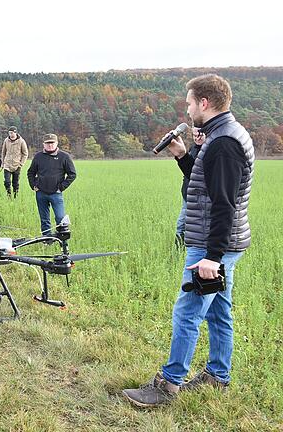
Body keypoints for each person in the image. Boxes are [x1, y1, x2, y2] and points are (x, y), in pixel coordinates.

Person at [123, 74, 255, 408]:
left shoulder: (224, 143)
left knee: (188, 313)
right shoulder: (222, 136)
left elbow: (224, 204)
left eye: (189, 102)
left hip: (212, 245)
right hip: (222, 242)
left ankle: (167, 385)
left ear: (204, 103)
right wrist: (183, 156)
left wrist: (213, 257)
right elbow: (208, 187)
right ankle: (217, 376)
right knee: (219, 312)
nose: (187, 108)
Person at [26, 133, 76, 235]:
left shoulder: (64, 157)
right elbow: (31, 172)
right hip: (41, 193)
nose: (50, 145)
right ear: (43, 144)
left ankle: (62, 240)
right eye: (47, 143)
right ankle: (47, 240)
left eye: (52, 143)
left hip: (56, 193)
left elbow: (72, 174)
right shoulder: (38, 156)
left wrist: (61, 187)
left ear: (57, 143)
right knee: (44, 219)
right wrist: (33, 185)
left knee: (60, 218)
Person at [174, 127, 205, 247]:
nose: (197, 138)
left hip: (200, 197)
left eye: (200, 135)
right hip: (188, 195)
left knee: (199, 227)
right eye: (194, 135)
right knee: (181, 225)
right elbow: (188, 171)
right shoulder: (192, 148)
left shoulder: (209, 151)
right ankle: (177, 251)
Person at [2, 126, 29, 199]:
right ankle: (9, 195)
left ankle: (15, 196)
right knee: (7, 182)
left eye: (12, 132)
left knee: (15, 183)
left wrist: (21, 164)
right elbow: (3, 152)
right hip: (7, 165)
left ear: (15, 132)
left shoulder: (21, 141)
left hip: (17, 165)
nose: (10, 134)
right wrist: (2, 163)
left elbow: (25, 154)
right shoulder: (6, 140)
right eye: (9, 133)